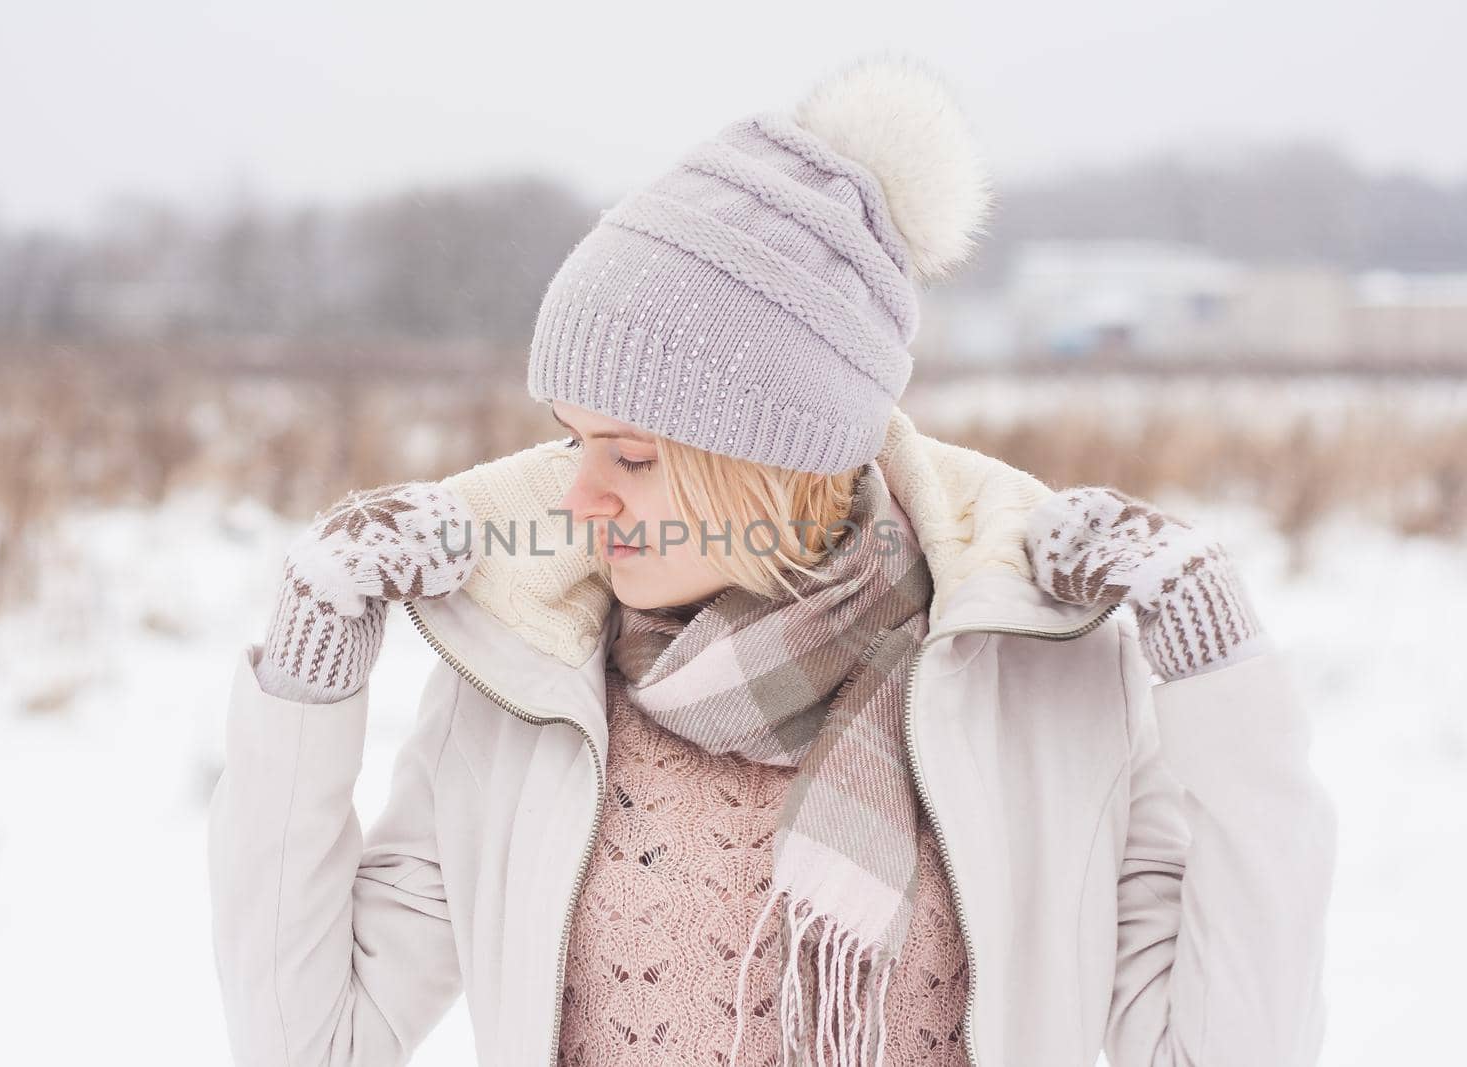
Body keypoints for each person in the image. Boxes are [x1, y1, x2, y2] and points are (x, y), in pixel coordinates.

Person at [208, 51, 1337, 1067]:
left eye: (634, 455)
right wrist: (311, 671)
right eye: (572, 439)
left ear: (785, 464)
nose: (579, 493)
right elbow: (313, 1040)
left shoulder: (1036, 686)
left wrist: (1216, 667)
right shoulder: (521, 687)